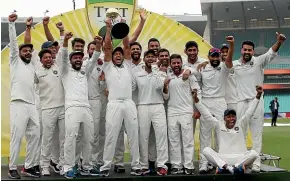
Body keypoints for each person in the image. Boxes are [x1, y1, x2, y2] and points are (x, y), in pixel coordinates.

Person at [234, 32, 287, 172]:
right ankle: (243, 161)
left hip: (256, 101)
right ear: (241, 50)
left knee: (256, 134)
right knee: (240, 135)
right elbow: (221, 66)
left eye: (249, 50)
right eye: (245, 49)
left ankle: (256, 163)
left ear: (253, 51)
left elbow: (271, 52)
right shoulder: (234, 65)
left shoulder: (258, 61)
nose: (247, 52)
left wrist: (279, 42)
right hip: (240, 102)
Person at [99, 19, 141, 177]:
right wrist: (109, 28)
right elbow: (108, 47)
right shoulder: (108, 66)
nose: (118, 56)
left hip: (129, 104)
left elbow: (127, 47)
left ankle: (136, 165)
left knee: (133, 135)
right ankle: (105, 166)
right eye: (115, 54)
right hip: (114, 104)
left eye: (120, 54)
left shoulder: (128, 66)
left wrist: (123, 28)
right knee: (111, 135)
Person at [193, 86, 263, 174]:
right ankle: (230, 168)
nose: (231, 119)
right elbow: (206, 114)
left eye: (233, 116)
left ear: (236, 117)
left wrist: (258, 96)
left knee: (254, 153)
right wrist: (196, 100)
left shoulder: (241, 124)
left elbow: (250, 111)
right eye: (228, 117)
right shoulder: (218, 125)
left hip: (240, 158)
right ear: (224, 118)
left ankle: (231, 168)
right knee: (206, 150)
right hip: (223, 158)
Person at [60, 32, 101, 178]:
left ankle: (87, 167)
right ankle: (68, 167)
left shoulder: (85, 71)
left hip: (86, 108)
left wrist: (98, 43)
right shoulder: (65, 71)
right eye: (74, 58)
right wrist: (65, 39)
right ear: (71, 60)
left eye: (79, 57)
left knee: (89, 138)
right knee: (71, 137)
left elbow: (95, 56)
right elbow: (63, 56)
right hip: (72, 108)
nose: (77, 59)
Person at [8, 13, 41, 179]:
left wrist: (29, 28)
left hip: (32, 105)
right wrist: (12, 25)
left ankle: (28, 166)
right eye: (25, 51)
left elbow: (28, 43)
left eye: (29, 51)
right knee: (17, 136)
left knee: (35, 134)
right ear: (19, 53)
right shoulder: (15, 60)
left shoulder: (32, 65)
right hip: (18, 103)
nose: (27, 52)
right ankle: (12, 167)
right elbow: (14, 44)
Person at [196, 36, 234, 174]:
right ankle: (204, 163)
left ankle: (220, 163)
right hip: (206, 101)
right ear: (209, 57)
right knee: (204, 134)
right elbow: (197, 84)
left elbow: (228, 60)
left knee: (220, 134)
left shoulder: (224, 68)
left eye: (217, 56)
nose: (215, 58)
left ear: (219, 57)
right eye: (213, 56)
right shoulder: (202, 68)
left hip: (219, 101)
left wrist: (231, 45)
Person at [132, 49, 168, 176]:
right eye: (148, 57)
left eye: (153, 57)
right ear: (144, 58)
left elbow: (159, 86)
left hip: (158, 106)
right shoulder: (137, 73)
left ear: (156, 59)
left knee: (161, 136)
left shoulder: (161, 72)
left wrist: (156, 70)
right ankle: (143, 165)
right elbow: (131, 89)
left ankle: (162, 165)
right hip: (143, 106)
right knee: (143, 137)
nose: (150, 59)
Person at [163, 54, 201, 175]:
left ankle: (188, 165)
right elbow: (166, 96)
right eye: (173, 63)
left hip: (186, 111)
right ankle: (176, 165)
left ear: (181, 63)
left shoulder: (189, 75)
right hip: (172, 111)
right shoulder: (168, 76)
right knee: (174, 140)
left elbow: (197, 91)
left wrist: (197, 108)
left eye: (178, 63)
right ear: (170, 64)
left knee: (188, 140)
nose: (176, 65)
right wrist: (165, 86)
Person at [34, 49, 65, 176]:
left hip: (62, 108)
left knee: (64, 139)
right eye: (45, 57)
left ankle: (62, 165)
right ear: (41, 60)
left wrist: (63, 35)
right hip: (47, 109)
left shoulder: (58, 68)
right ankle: (45, 166)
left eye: (50, 57)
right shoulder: (37, 72)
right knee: (47, 139)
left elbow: (63, 53)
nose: (48, 59)